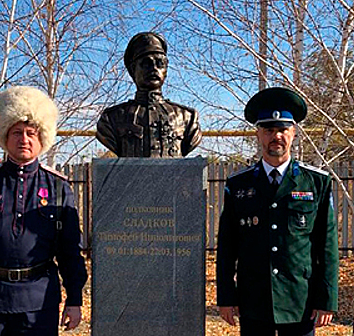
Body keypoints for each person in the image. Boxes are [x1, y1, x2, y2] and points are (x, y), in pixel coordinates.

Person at [0, 86, 87, 336]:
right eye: (17, 132)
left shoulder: (58, 187)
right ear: (4, 136)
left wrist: (74, 299)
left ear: (42, 138)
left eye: (31, 133)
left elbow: (69, 250)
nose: (24, 139)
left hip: (38, 303)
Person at [216, 87, 338, 336]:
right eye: (269, 130)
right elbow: (228, 246)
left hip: (299, 300)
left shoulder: (316, 183)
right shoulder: (239, 184)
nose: (276, 137)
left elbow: (327, 247)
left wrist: (326, 299)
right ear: (258, 134)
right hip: (254, 300)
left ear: (293, 133)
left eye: (282, 129)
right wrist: (226, 296)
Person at [96, 31, 202, 157]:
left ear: (166, 70)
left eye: (160, 63)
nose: (154, 68)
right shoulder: (112, 118)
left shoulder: (187, 117)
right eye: (146, 63)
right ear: (132, 70)